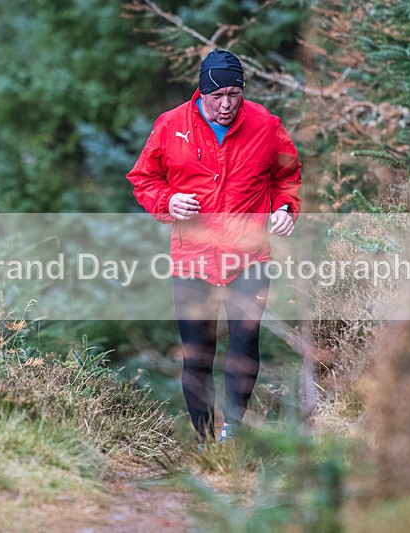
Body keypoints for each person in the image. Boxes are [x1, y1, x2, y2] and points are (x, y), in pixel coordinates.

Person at [126, 50, 302, 443]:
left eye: (234, 94)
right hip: (193, 259)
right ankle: (204, 440)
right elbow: (144, 178)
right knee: (198, 353)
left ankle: (233, 433)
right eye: (217, 95)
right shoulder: (171, 126)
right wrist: (168, 202)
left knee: (244, 343)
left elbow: (287, 176)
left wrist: (285, 209)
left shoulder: (266, 126)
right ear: (201, 92)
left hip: (249, 257)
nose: (226, 104)